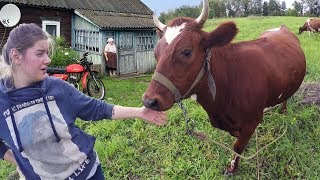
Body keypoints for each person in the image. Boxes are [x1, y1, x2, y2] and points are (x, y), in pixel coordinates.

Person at [0, 23, 167, 179]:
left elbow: (97, 108)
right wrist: (21, 161)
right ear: (16, 56)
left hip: (89, 173)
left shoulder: (57, 87)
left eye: (47, 53)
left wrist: (140, 112)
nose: (48, 60)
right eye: (39, 53)